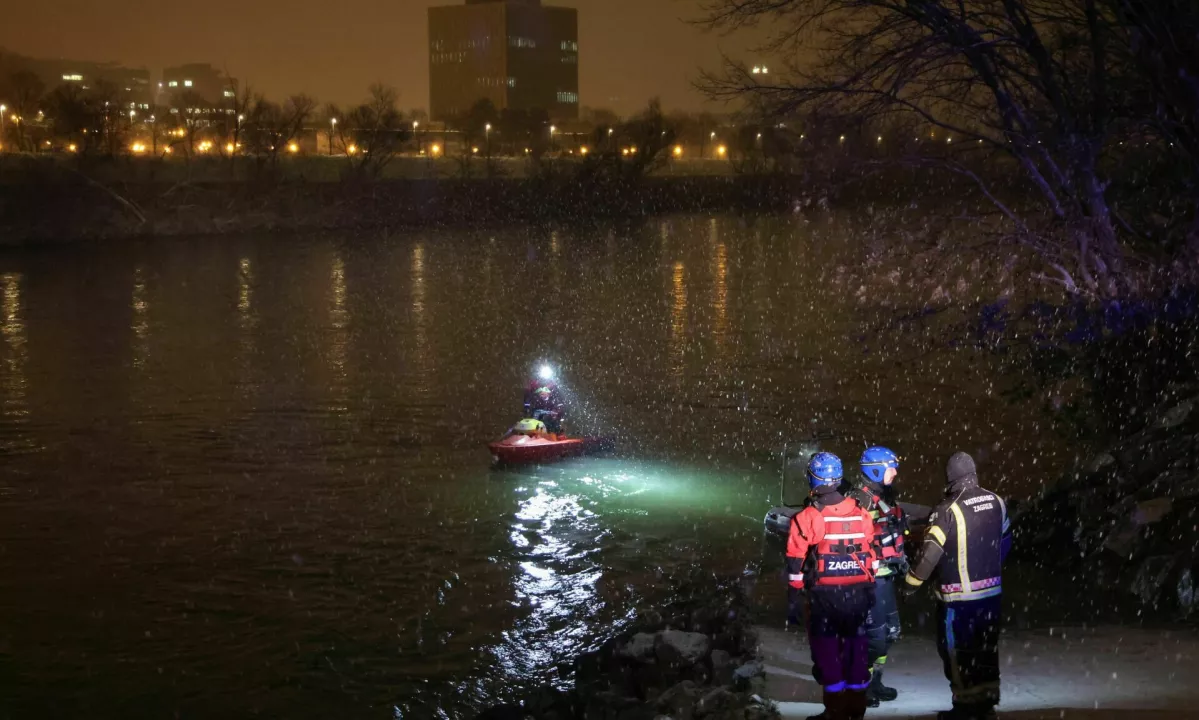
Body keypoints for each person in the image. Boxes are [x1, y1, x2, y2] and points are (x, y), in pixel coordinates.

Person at [902, 452, 1012, 720]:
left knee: (957, 654)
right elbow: (1006, 541)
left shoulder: (946, 510)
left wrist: (910, 584)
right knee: (986, 649)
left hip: (958, 602)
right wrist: (989, 568)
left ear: (950, 478)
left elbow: (930, 554)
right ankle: (986, 706)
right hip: (991, 597)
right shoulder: (997, 501)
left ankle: (964, 709)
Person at [787, 452, 880, 720]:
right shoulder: (861, 512)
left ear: (812, 478)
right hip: (859, 597)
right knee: (857, 653)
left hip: (824, 601)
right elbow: (871, 555)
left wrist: (794, 598)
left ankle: (835, 711)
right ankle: (856, 709)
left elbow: (795, 563)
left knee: (828, 655)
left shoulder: (807, 517)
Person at [847, 446, 908, 708]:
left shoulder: (884, 498)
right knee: (874, 637)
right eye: (890, 467)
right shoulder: (860, 501)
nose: (895, 472)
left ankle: (875, 681)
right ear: (876, 469)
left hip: (886, 578)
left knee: (891, 632)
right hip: (870, 582)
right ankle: (861, 685)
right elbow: (852, 543)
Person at [523, 365, 565, 434]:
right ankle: (532, 435)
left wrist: (558, 411)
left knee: (552, 422)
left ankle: (555, 434)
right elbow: (527, 397)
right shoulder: (534, 385)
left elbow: (559, 400)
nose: (543, 393)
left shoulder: (553, 386)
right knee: (534, 422)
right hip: (536, 412)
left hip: (550, 412)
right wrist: (527, 408)